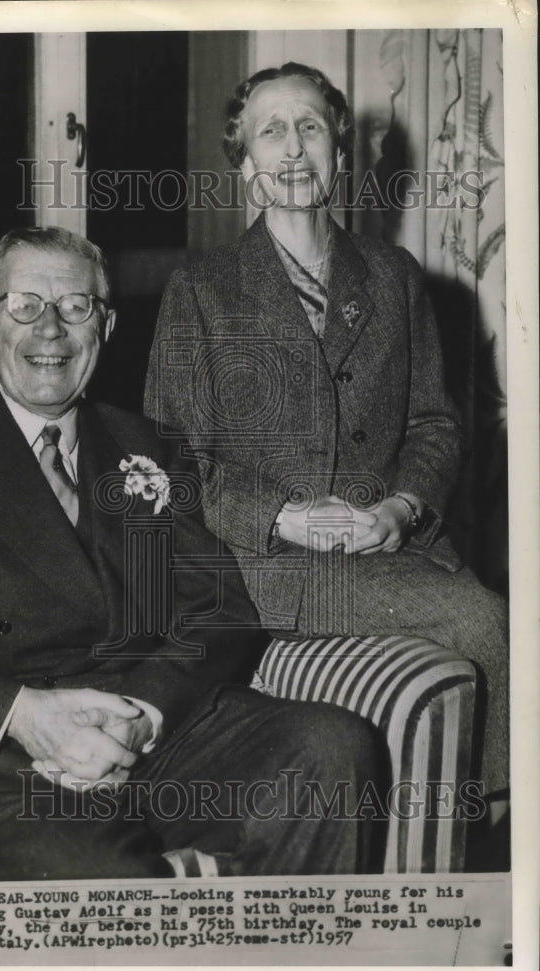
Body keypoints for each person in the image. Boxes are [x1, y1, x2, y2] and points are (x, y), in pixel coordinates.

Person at [0, 225, 382, 881]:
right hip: (6, 761)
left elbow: (216, 608)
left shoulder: (147, 444)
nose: (50, 329)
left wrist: (143, 715)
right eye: (24, 304)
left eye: (75, 306)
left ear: (106, 325)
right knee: (93, 868)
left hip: (151, 731)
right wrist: (23, 716)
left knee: (331, 749)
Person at [144, 64, 509, 848]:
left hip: (388, 553)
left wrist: (400, 508)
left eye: (309, 126)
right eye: (269, 131)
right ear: (243, 165)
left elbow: (435, 425)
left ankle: (493, 843)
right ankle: (495, 845)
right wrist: (285, 517)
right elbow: (171, 461)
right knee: (484, 621)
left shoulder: (393, 277)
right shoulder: (201, 289)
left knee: (492, 622)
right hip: (266, 571)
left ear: (340, 153)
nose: (292, 148)